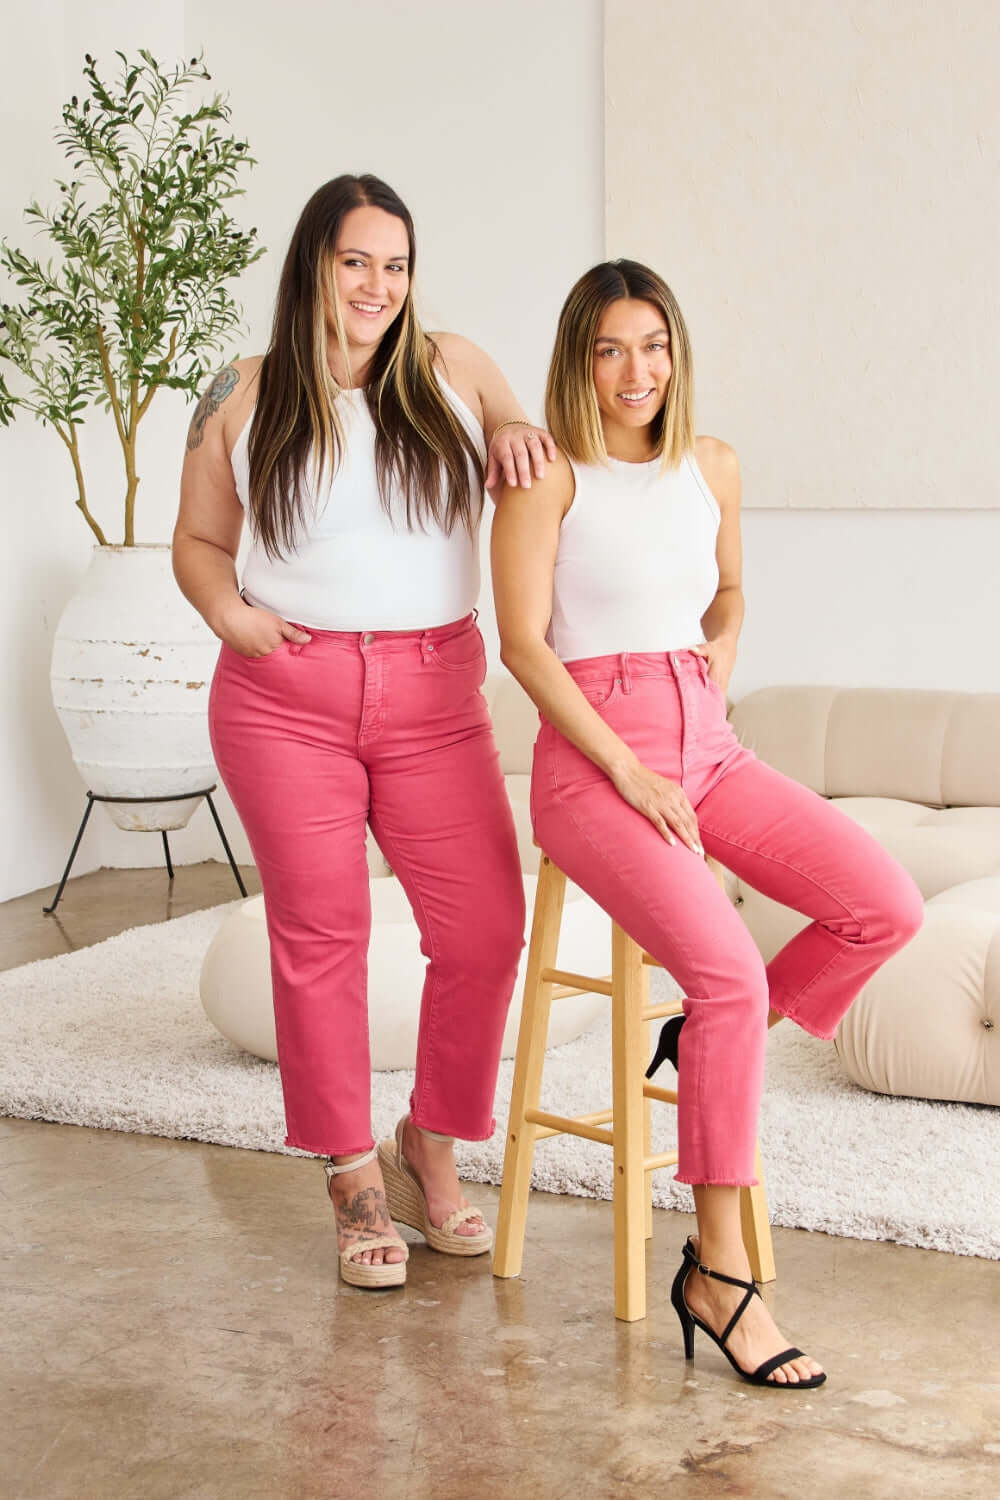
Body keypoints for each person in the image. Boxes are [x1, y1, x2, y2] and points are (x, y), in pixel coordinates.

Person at [490, 259, 924, 1386]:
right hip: (595, 761)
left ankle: (706, 1044)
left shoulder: (712, 465)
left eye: (655, 346)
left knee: (884, 905)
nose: (637, 372)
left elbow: (726, 593)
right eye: (609, 349)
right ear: (578, 358)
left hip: (707, 739)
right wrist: (630, 768)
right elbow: (525, 645)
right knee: (727, 973)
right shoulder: (547, 477)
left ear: (676, 352)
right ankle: (721, 1276)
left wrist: (717, 660)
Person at [173, 173, 555, 1289]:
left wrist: (522, 428)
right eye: (355, 262)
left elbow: (520, 438)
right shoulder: (239, 392)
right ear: (313, 267)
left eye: (394, 265)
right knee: (323, 935)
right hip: (284, 697)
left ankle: (428, 1141)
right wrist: (230, 613)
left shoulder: (454, 366)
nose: (377, 286)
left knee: (485, 928)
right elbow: (197, 542)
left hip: (438, 694)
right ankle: (350, 1177)